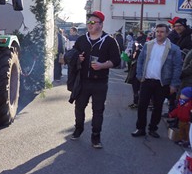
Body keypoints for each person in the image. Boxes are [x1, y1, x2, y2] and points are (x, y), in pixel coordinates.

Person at [70, 11, 121, 149]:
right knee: (79, 108)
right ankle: (78, 129)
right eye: (89, 22)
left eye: (93, 22)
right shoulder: (82, 39)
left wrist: (102, 65)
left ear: (101, 24)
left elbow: (116, 61)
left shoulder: (109, 41)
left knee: (98, 110)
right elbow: (73, 54)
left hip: (100, 82)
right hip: (83, 81)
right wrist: (78, 59)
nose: (90, 25)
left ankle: (96, 136)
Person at [132, 23, 183, 138]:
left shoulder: (173, 49)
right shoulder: (148, 45)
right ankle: (140, 128)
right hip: (146, 80)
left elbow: (177, 67)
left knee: (158, 107)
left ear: (167, 33)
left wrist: (174, 84)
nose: (159, 34)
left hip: (162, 82)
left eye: (162, 32)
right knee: (142, 105)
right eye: (157, 31)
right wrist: (140, 75)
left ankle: (153, 128)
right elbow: (140, 60)